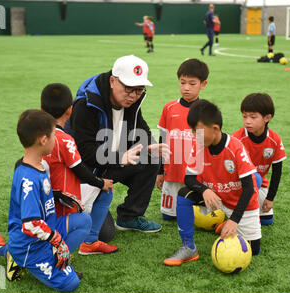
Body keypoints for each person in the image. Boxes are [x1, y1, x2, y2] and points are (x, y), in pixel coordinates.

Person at [0, 110, 85, 292]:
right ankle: (10, 253)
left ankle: (44, 258)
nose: (56, 139)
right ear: (43, 139)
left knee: (83, 221)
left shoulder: (38, 165)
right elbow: (31, 224)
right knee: (71, 284)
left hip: (46, 232)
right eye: (54, 135)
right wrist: (58, 241)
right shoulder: (29, 178)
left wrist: (57, 195)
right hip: (30, 245)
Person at [66, 55, 170, 233]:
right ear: (113, 81)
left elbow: (141, 129)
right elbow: (86, 153)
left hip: (110, 163)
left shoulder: (131, 102)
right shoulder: (86, 104)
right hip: (84, 173)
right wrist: (121, 157)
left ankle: (129, 217)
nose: (133, 96)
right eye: (129, 88)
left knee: (151, 159)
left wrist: (150, 146)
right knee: (103, 234)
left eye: (139, 90)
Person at [164, 100, 261, 266]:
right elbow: (189, 178)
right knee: (184, 194)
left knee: (254, 250)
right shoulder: (199, 145)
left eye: (197, 131)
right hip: (215, 197)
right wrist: (204, 190)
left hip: (239, 202)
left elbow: (248, 188)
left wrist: (234, 220)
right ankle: (188, 247)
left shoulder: (235, 147)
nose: (194, 136)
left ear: (215, 129)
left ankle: (228, 221)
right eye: (192, 131)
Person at [40, 83, 118, 255]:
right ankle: (88, 242)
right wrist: (100, 182)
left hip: (39, 201)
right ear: (70, 110)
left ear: (41, 108)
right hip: (61, 201)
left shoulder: (36, 135)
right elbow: (80, 169)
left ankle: (0, 248)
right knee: (106, 191)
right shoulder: (64, 139)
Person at [156, 58, 209, 221]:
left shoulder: (206, 110)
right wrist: (159, 171)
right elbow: (162, 141)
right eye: (182, 82)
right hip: (172, 171)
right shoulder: (170, 108)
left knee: (200, 217)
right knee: (168, 216)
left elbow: (210, 146)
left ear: (203, 84)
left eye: (192, 83)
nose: (186, 88)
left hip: (197, 174)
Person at [231, 93, 286, 226]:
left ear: (267, 118)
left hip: (259, 185)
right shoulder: (237, 138)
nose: (247, 121)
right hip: (237, 186)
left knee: (267, 221)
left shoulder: (274, 140)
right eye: (244, 116)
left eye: (253, 117)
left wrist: (270, 198)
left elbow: (277, 171)